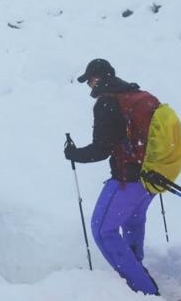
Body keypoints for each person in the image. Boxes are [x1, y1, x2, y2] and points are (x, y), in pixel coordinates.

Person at [64, 59, 160, 296]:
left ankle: (143, 289)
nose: (89, 86)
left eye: (89, 81)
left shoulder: (107, 102)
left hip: (128, 179)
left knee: (102, 230)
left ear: (96, 78)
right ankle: (136, 270)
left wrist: (74, 154)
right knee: (133, 222)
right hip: (151, 178)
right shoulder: (135, 95)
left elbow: (101, 149)